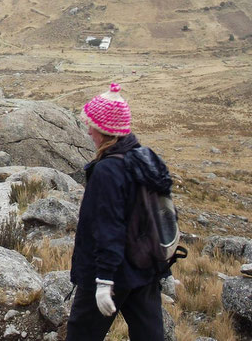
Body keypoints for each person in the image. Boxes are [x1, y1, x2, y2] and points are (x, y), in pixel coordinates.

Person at [66, 83, 169, 341]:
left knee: (81, 335)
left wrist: (103, 282)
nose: (88, 130)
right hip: (145, 267)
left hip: (109, 274)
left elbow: (108, 229)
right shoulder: (145, 158)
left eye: (92, 125)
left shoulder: (107, 171)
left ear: (104, 130)